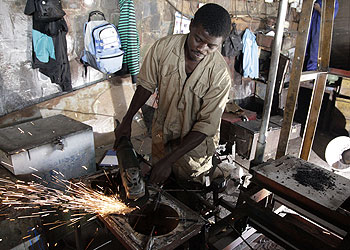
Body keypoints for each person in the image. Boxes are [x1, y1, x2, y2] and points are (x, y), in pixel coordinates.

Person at [115, 3, 232, 186]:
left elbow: (205, 126)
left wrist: (168, 161)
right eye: (198, 39)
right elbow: (146, 85)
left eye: (211, 46)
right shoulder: (163, 49)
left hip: (193, 152)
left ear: (221, 43)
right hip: (163, 137)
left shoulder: (219, 76)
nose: (202, 48)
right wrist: (127, 119)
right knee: (158, 192)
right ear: (191, 25)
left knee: (189, 197)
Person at [304, 0, 339, 71]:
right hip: (311, 25)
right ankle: (302, 67)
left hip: (320, 28)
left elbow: (329, 18)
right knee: (305, 46)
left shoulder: (334, 2)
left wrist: (319, 9)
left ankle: (310, 71)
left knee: (315, 50)